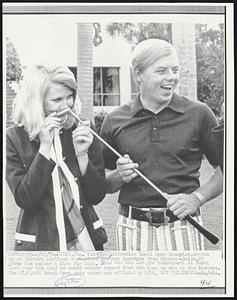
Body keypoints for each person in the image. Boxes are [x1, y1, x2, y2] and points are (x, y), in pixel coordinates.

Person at [100, 38, 223, 251]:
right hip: (132, 229)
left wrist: (196, 198)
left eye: (175, 70)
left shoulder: (200, 113)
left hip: (184, 226)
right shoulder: (114, 120)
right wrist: (118, 176)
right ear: (138, 75)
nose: (171, 77)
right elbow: (102, 183)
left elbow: (226, 172)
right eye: (161, 71)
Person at [6, 64, 107, 251]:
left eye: (70, 96)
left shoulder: (83, 128)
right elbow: (25, 199)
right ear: (36, 102)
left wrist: (82, 155)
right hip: (41, 245)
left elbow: (97, 195)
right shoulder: (14, 138)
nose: (66, 105)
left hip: (86, 240)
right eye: (57, 99)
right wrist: (44, 148)